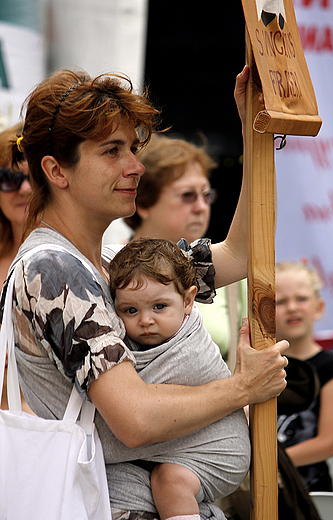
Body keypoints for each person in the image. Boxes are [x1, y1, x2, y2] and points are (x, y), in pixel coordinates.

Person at [3, 66, 289, 520]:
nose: (135, 166)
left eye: (133, 149)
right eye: (112, 151)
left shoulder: (114, 262)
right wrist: (243, 387)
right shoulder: (53, 269)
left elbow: (240, 251)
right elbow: (133, 421)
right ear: (56, 170)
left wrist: (253, 130)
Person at [109, 236, 250, 520]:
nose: (146, 320)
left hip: (217, 449)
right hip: (176, 446)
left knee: (169, 482)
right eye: (130, 311)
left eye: (159, 307)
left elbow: (134, 416)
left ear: (188, 301)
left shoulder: (190, 350)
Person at [123, 132, 247, 366]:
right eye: (187, 195)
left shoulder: (233, 273)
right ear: (143, 203)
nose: (201, 207)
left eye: (206, 195)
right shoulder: (108, 265)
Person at [276, 260, 333, 492]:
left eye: (302, 298)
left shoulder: (330, 367)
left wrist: (268, 463)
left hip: (312, 492)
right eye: (280, 301)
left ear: (319, 307)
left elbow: (327, 444)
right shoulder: (263, 365)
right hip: (262, 491)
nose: (292, 307)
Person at [0, 123, 33, 414]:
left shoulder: (72, 259)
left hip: (46, 428)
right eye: (9, 178)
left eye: (33, 178)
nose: (23, 188)